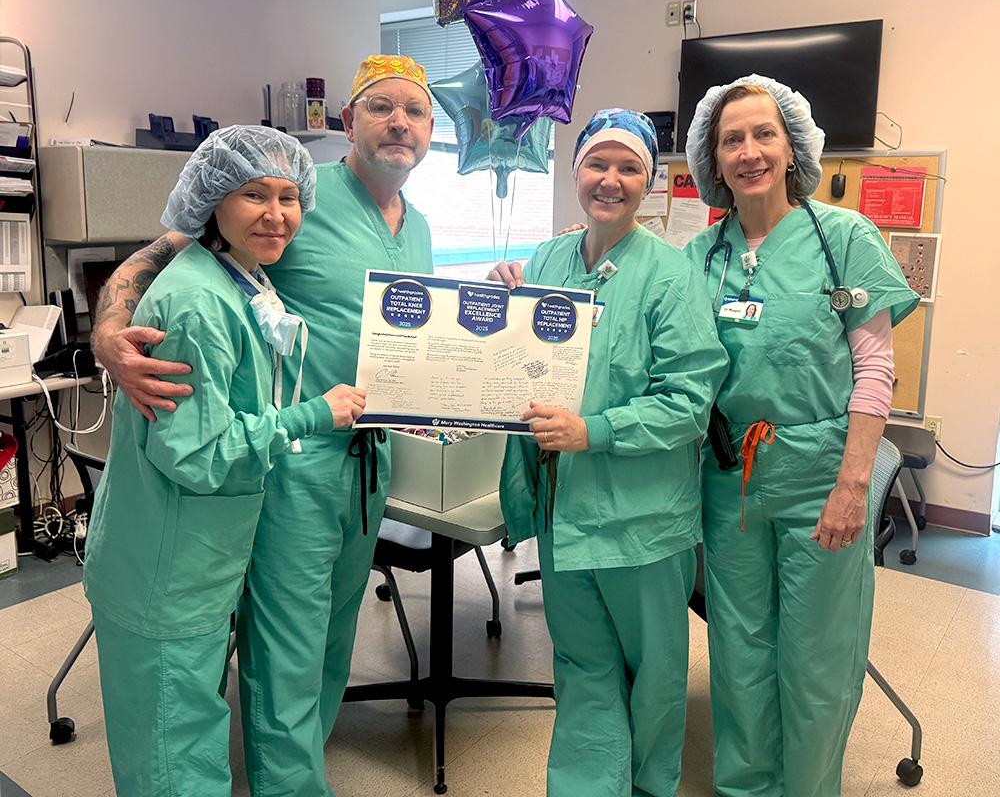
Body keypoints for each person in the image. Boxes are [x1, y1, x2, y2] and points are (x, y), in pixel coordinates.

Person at [91, 55, 435, 797]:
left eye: (417, 110)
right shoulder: (285, 211)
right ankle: (288, 782)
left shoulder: (419, 227)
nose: (400, 122)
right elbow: (158, 259)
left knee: (333, 641)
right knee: (288, 650)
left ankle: (296, 766)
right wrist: (109, 335)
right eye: (382, 107)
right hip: (292, 461)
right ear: (349, 121)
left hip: (368, 460)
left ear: (433, 132)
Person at [683, 75, 919, 796]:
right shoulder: (702, 256)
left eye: (764, 135)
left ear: (792, 147)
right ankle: (745, 787)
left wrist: (854, 484)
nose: (749, 151)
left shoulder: (843, 238)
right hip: (731, 483)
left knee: (816, 657)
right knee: (740, 651)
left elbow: (876, 369)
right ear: (712, 160)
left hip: (823, 476)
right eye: (732, 140)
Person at [490, 109, 729, 797]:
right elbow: (524, 365)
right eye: (598, 164)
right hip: (567, 515)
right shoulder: (546, 259)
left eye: (629, 168)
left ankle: (651, 788)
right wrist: (499, 316)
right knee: (583, 670)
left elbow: (689, 402)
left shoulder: (670, 275)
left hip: (642, 524)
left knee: (653, 679)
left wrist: (592, 431)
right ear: (574, 174)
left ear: (649, 184)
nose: (611, 180)